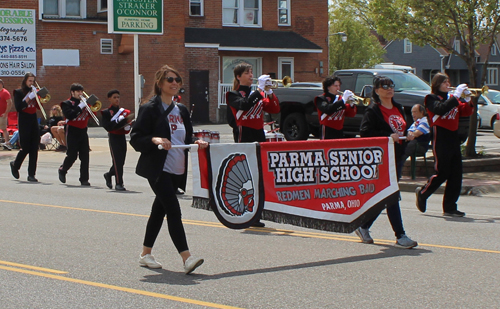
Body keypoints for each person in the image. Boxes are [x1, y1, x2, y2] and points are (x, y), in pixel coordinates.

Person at [130, 64, 208, 274]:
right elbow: (136, 138)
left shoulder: (181, 110)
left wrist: (197, 141)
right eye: (170, 80)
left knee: (159, 211)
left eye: (177, 80)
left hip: (177, 168)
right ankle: (187, 258)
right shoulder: (150, 108)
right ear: (160, 83)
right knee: (173, 210)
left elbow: (186, 137)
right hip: (157, 169)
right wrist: (154, 138)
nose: (175, 83)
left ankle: (145, 254)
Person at [357, 76, 418, 249]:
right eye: (384, 86)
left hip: (397, 156)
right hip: (382, 159)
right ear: (376, 90)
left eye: (391, 85)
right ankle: (400, 235)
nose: (389, 89)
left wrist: (410, 133)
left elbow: (403, 128)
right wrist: (386, 137)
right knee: (392, 195)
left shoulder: (398, 108)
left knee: (386, 196)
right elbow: (365, 133)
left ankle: (363, 226)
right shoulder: (373, 111)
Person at [226, 62, 280, 227]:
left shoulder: (259, 94)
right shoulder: (233, 94)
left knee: (258, 175)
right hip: (245, 135)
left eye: (252, 72)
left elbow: (275, 108)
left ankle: (256, 211)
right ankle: (245, 210)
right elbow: (244, 105)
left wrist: (269, 92)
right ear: (238, 76)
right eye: (248, 73)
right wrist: (258, 91)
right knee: (246, 176)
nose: (251, 75)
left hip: (259, 135)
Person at [415, 73, 473, 217]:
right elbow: (440, 109)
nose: (448, 84)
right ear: (437, 84)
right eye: (444, 82)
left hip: (453, 136)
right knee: (442, 171)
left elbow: (466, 112)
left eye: (449, 81)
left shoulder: (451, 99)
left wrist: (468, 99)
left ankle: (450, 206)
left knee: (456, 174)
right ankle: (422, 193)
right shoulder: (431, 98)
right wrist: (456, 96)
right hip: (440, 136)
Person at [58, 83, 94, 186]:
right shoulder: (66, 103)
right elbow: (71, 115)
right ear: (72, 92)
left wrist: (90, 106)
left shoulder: (85, 102)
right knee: (72, 155)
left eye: (81, 91)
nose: (80, 93)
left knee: (85, 156)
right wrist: (80, 106)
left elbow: (92, 115)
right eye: (78, 91)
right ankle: (63, 169)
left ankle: (84, 179)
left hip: (83, 130)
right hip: (72, 130)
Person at [10, 73, 41, 182]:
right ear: (25, 81)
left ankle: (31, 174)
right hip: (24, 121)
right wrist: (28, 98)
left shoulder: (35, 92)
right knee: (26, 147)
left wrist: (38, 96)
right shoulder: (18, 92)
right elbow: (19, 107)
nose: (31, 83)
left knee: (34, 148)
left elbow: (39, 106)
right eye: (29, 81)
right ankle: (15, 165)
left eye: (33, 81)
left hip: (33, 120)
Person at [101, 89, 132, 191]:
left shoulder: (123, 111)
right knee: (117, 161)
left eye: (118, 97)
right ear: (109, 99)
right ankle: (119, 183)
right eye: (114, 97)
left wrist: (128, 126)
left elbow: (126, 124)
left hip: (122, 137)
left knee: (121, 161)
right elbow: (108, 127)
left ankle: (109, 174)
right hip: (113, 137)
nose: (117, 99)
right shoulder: (106, 112)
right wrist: (117, 121)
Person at [0, 79, 13, 145]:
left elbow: (9, 103)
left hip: (2, 114)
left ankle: (7, 142)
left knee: (3, 128)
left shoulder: (5, 92)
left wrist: (6, 113)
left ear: (2, 84)